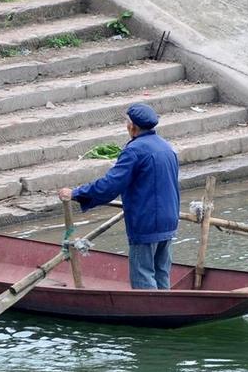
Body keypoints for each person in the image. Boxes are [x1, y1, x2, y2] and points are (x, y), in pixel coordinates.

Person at [58, 103, 180, 289]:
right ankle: (166, 311)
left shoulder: (134, 150)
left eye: (127, 122)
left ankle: (150, 315)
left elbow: (110, 186)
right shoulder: (166, 147)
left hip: (146, 222)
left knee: (143, 276)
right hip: (169, 220)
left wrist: (76, 193)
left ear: (133, 126)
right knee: (161, 273)